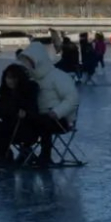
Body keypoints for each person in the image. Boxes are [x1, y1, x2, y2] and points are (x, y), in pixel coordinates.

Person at [12, 40, 80, 168]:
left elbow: (72, 98)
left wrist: (57, 112)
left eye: (30, 61)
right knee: (22, 121)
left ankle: (45, 156)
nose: (28, 65)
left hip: (61, 120)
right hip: (38, 118)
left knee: (43, 122)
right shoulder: (30, 80)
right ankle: (25, 152)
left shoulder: (58, 76)